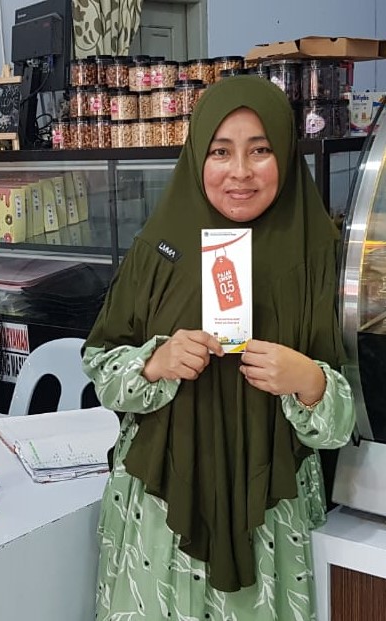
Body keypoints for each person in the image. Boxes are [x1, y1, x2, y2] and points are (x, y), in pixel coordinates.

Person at [83, 75, 356, 621]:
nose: (240, 172)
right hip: (160, 509)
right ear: (196, 157)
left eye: (260, 151)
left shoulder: (323, 257)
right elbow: (101, 365)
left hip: (272, 512)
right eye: (220, 151)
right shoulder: (159, 250)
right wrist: (153, 363)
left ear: (286, 153)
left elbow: (346, 423)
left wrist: (309, 381)